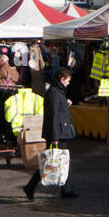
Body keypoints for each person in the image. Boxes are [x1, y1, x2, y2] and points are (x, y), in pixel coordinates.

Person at [23, 68, 77, 201]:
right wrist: (54, 139)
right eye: (68, 81)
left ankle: (66, 189)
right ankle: (31, 187)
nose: (69, 83)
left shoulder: (57, 91)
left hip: (59, 132)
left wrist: (66, 102)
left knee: (62, 160)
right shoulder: (53, 93)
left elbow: (58, 109)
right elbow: (53, 116)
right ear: (62, 79)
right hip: (57, 133)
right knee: (51, 161)